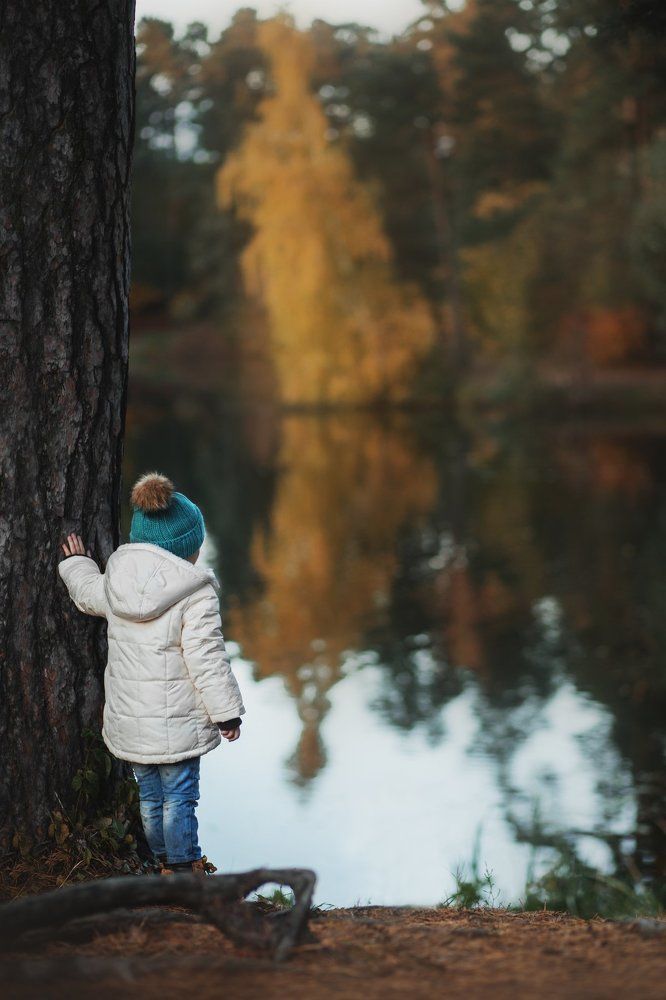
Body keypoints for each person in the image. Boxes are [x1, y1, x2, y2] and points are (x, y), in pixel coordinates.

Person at [58, 472, 245, 875]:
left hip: (131, 722)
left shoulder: (117, 580)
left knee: (150, 795)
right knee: (180, 797)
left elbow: (88, 592)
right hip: (177, 724)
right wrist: (226, 712)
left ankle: (163, 863)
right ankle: (183, 868)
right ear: (186, 548)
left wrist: (75, 563)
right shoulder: (195, 594)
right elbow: (206, 657)